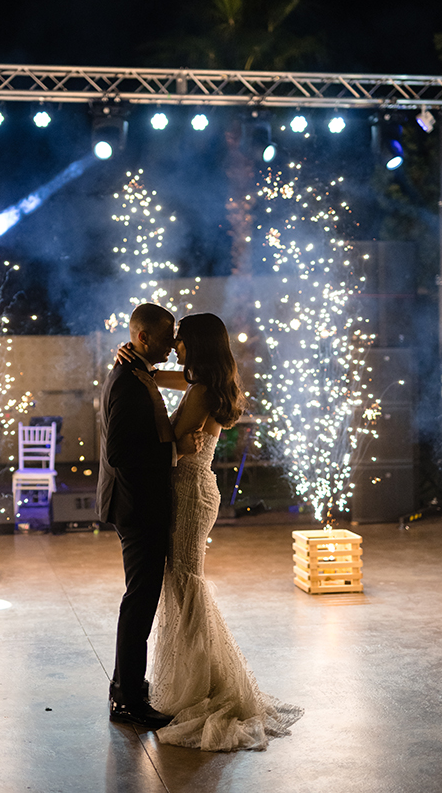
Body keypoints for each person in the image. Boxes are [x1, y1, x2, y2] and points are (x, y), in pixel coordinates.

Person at [119, 312, 303, 751]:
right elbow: (174, 378)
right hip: (198, 490)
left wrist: (147, 391)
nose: (176, 347)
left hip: (189, 493)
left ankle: (199, 687)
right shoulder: (209, 381)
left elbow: (171, 439)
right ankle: (196, 679)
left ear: (196, 345)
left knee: (184, 584)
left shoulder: (202, 392)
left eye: (180, 341)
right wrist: (143, 369)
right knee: (184, 584)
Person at [96, 302, 201, 730]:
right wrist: (174, 450)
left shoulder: (136, 372)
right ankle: (126, 699)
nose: (173, 343)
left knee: (141, 599)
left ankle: (129, 688)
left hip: (140, 501)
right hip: (136, 504)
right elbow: (119, 452)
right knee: (139, 601)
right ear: (143, 338)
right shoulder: (126, 380)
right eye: (166, 336)